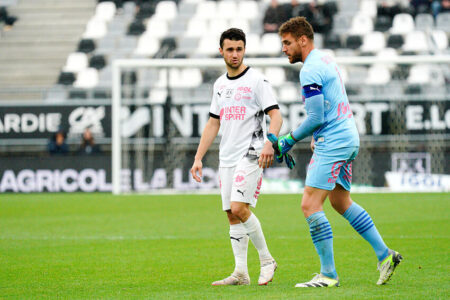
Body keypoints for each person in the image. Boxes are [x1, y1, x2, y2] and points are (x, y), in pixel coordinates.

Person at [274, 17, 402, 287]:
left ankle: (328, 274)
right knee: (340, 201)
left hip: (334, 140)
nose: (283, 49)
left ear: (302, 40)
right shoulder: (326, 58)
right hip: (345, 135)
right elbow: (331, 103)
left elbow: (316, 116)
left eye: (287, 43)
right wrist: (318, 135)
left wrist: (288, 139)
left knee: (310, 204)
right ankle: (385, 255)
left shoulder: (309, 70)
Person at [190, 28, 282, 286]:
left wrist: (270, 143)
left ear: (244, 50)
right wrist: (198, 157)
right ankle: (241, 273)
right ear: (221, 51)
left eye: (239, 49)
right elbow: (212, 123)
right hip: (227, 157)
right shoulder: (219, 85)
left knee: (241, 208)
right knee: (232, 214)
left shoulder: (257, 81)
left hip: (251, 154)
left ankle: (267, 261)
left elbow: (276, 115)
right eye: (230, 49)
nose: (234, 54)